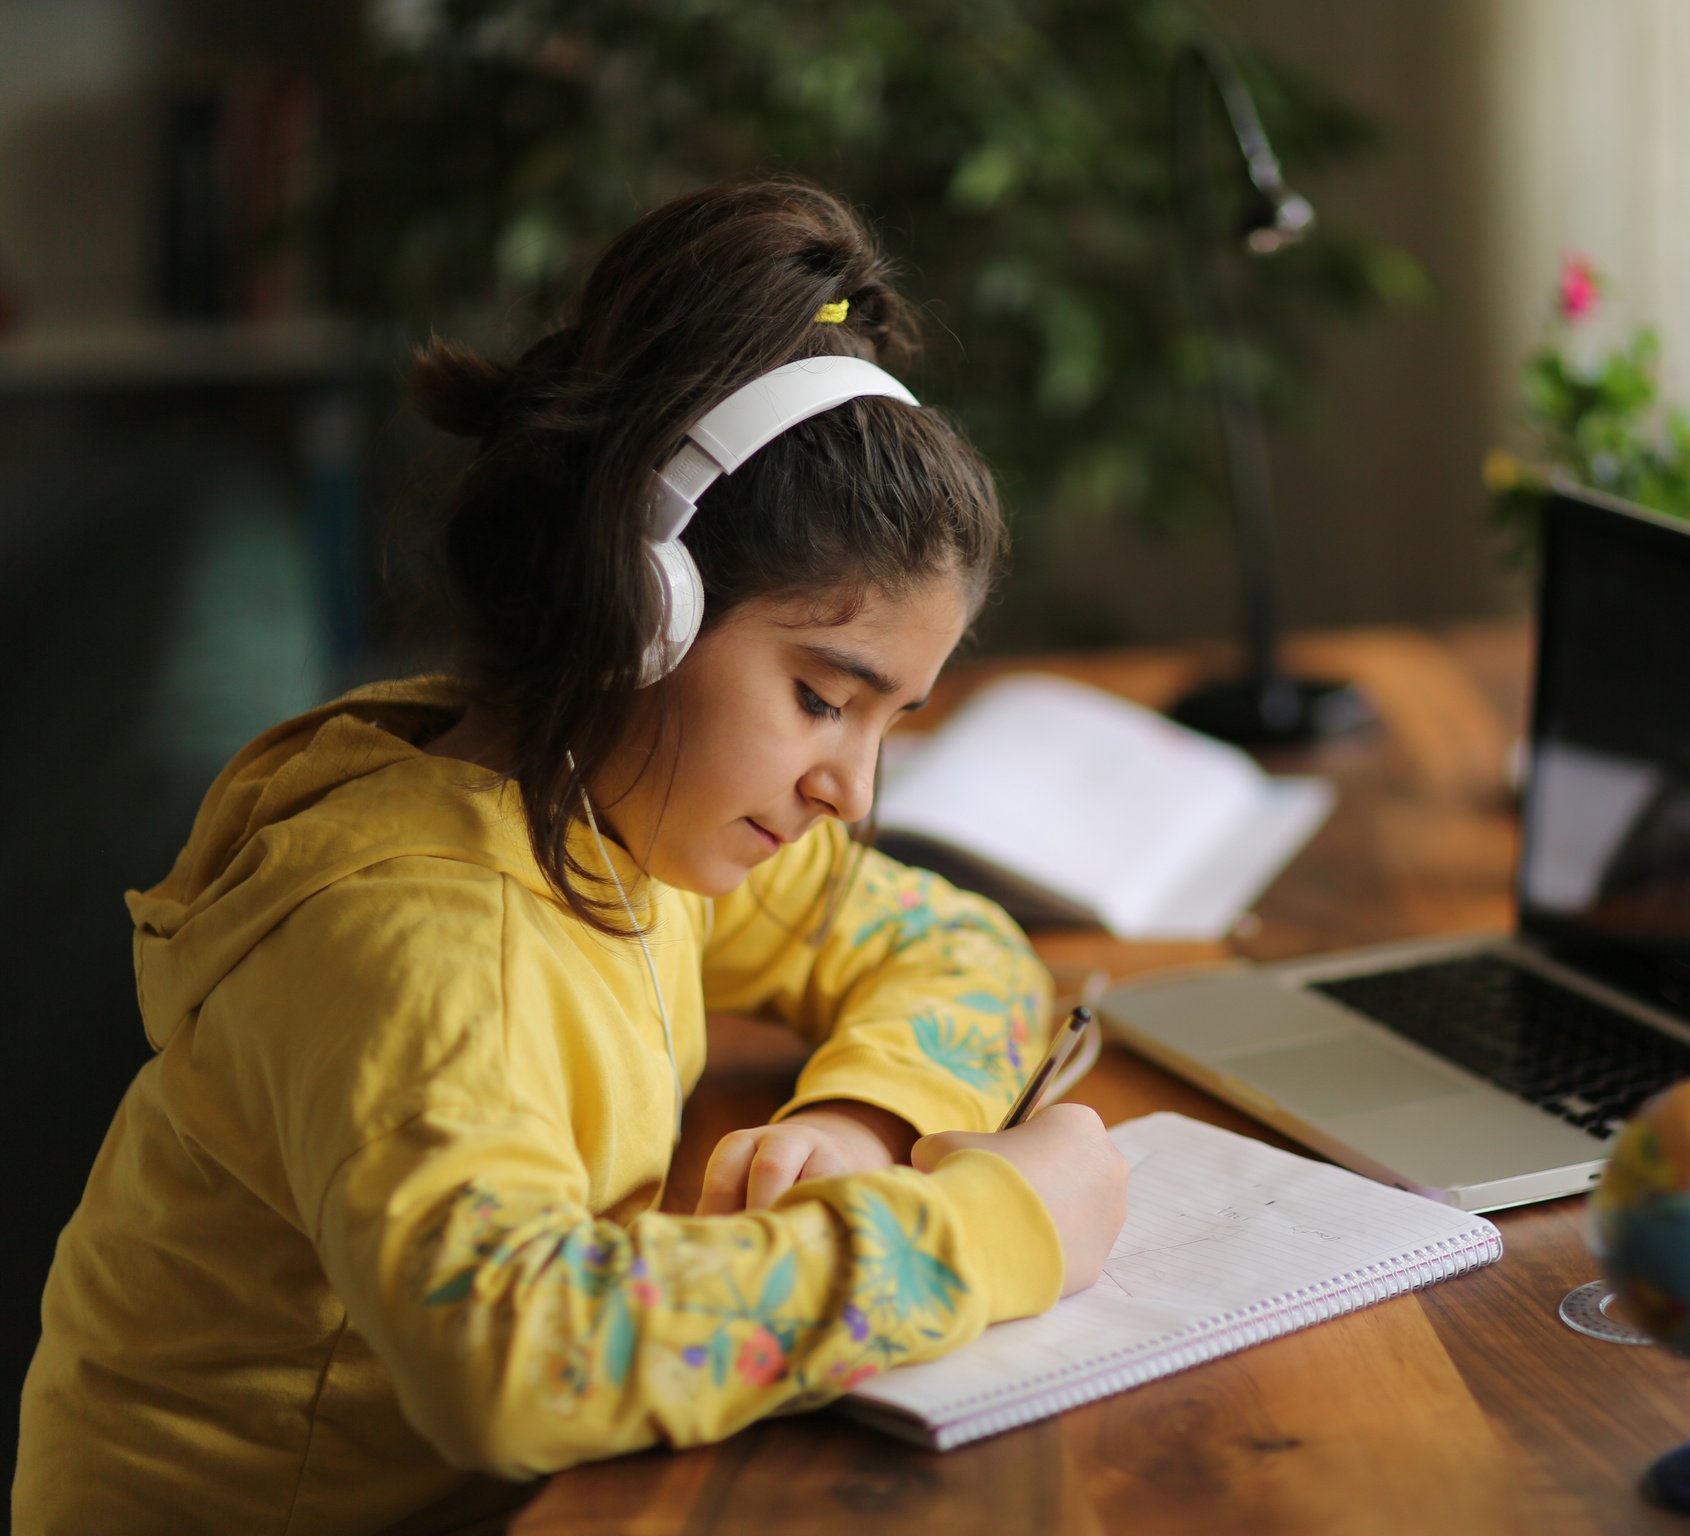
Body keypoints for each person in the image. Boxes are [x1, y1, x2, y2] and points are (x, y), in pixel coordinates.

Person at [15, 180, 1130, 1536]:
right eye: (823, 699)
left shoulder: (630, 828)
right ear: (637, 604)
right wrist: (995, 1233)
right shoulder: (420, 940)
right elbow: (516, 1359)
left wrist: (867, 1118)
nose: (849, 789)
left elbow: (959, 948)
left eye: (892, 722)